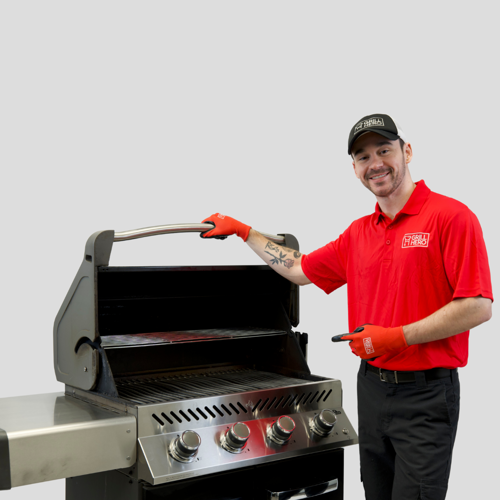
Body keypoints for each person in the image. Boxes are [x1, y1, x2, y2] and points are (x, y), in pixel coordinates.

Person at [200, 113, 493, 500]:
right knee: (376, 493)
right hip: (371, 388)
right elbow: (300, 269)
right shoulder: (359, 233)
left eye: (384, 150)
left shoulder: (450, 217)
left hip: (426, 396)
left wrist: (397, 337)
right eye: (362, 156)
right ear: (354, 168)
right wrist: (245, 232)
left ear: (407, 151)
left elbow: (477, 305)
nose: (375, 163)